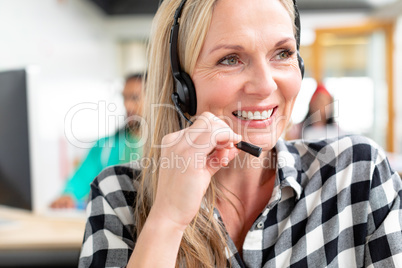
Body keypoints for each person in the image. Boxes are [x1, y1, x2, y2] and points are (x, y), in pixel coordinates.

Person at [79, 0, 402, 267]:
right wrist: (167, 220)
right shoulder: (120, 194)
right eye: (230, 59)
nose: (265, 86)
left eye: (283, 53)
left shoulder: (357, 175)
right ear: (182, 87)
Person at [50, 73, 144, 209]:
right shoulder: (105, 146)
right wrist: (68, 196)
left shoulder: (168, 146)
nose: (127, 105)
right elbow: (80, 181)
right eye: (124, 98)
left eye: (135, 98)